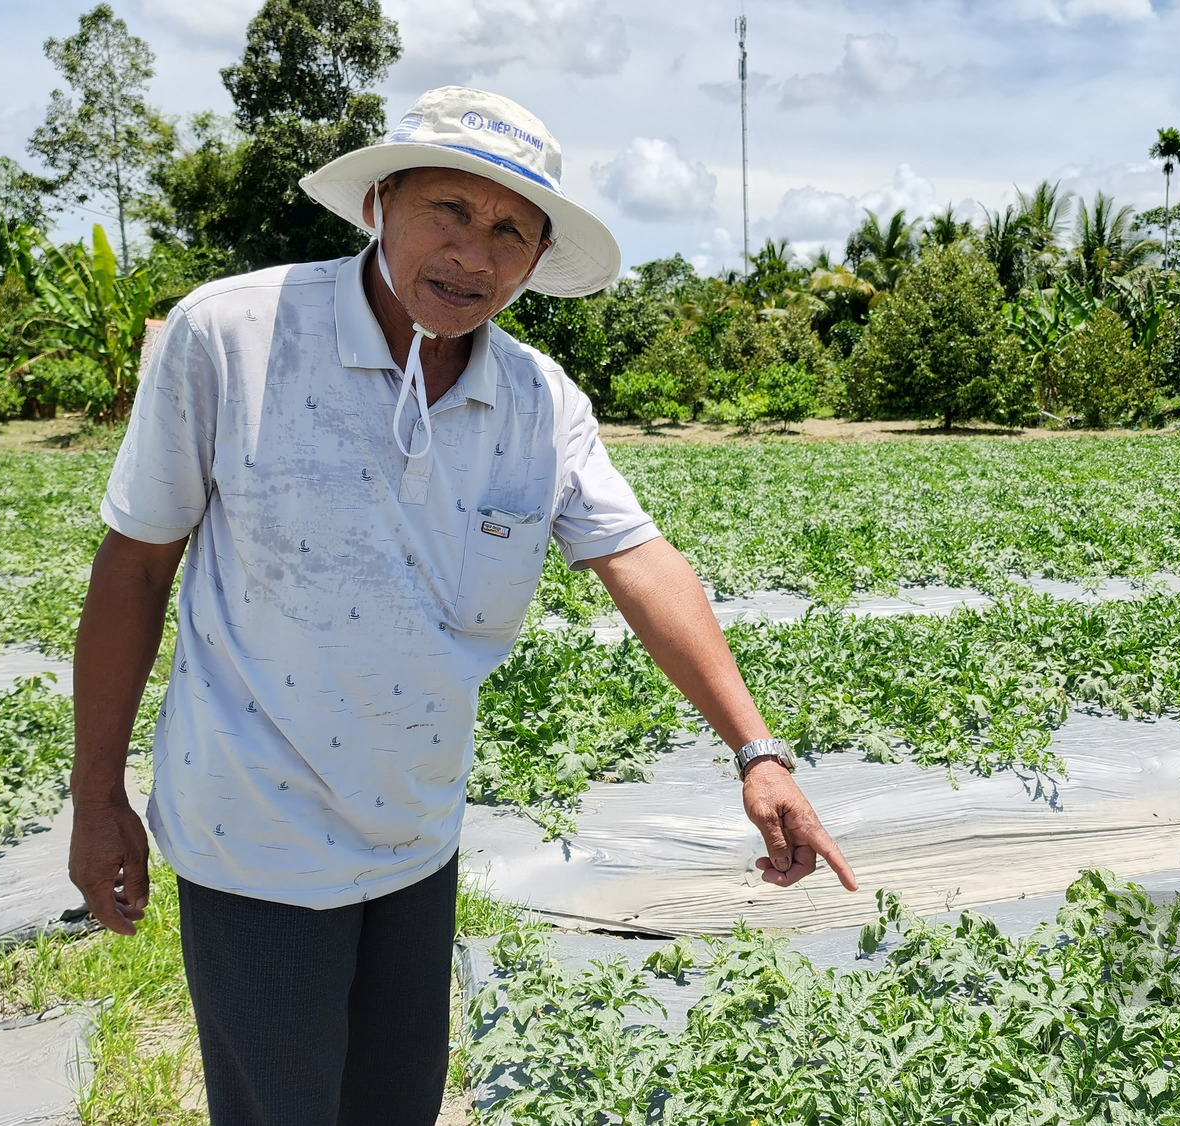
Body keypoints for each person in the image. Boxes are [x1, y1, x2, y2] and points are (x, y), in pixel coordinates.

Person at [67, 85, 856, 1125]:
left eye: (508, 232)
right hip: (252, 836)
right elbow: (132, 570)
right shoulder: (232, 339)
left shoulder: (537, 402)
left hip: (414, 837)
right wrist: (96, 794)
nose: (473, 256)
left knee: (396, 1104)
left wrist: (757, 750)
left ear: (534, 258)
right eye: (449, 210)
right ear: (380, 202)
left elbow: (641, 560)